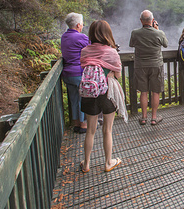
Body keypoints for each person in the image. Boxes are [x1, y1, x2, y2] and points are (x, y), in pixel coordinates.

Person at [79, 20, 122, 173]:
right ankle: (108, 162)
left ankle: (87, 164)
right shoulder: (112, 52)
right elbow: (118, 75)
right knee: (107, 130)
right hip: (107, 92)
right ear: (107, 33)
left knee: (90, 130)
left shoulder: (85, 51)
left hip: (89, 91)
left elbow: (85, 67)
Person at [129, 10, 169, 125]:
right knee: (155, 92)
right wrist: (156, 29)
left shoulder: (135, 33)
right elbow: (165, 44)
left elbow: (131, 44)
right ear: (152, 20)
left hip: (140, 66)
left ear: (141, 21)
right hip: (156, 65)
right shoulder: (159, 33)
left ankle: (143, 117)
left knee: (143, 92)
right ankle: (154, 118)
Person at [61, 12, 89, 134]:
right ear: (78, 25)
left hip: (67, 74)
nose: (82, 26)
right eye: (82, 24)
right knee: (82, 99)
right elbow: (91, 48)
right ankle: (83, 125)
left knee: (73, 99)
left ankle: (76, 123)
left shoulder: (64, 36)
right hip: (78, 73)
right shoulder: (80, 37)